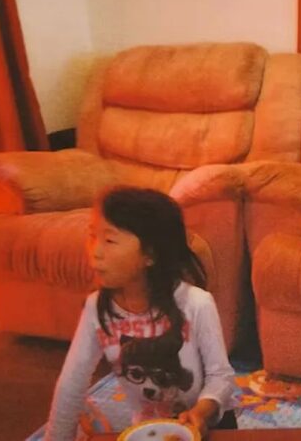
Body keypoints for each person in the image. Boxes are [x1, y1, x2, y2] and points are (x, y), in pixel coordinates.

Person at [44, 187, 236, 441]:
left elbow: (221, 376)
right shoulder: (96, 308)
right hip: (148, 429)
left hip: (210, 426)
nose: (95, 251)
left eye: (109, 241)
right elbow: (72, 384)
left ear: (150, 255)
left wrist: (201, 412)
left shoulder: (197, 304)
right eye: (92, 237)